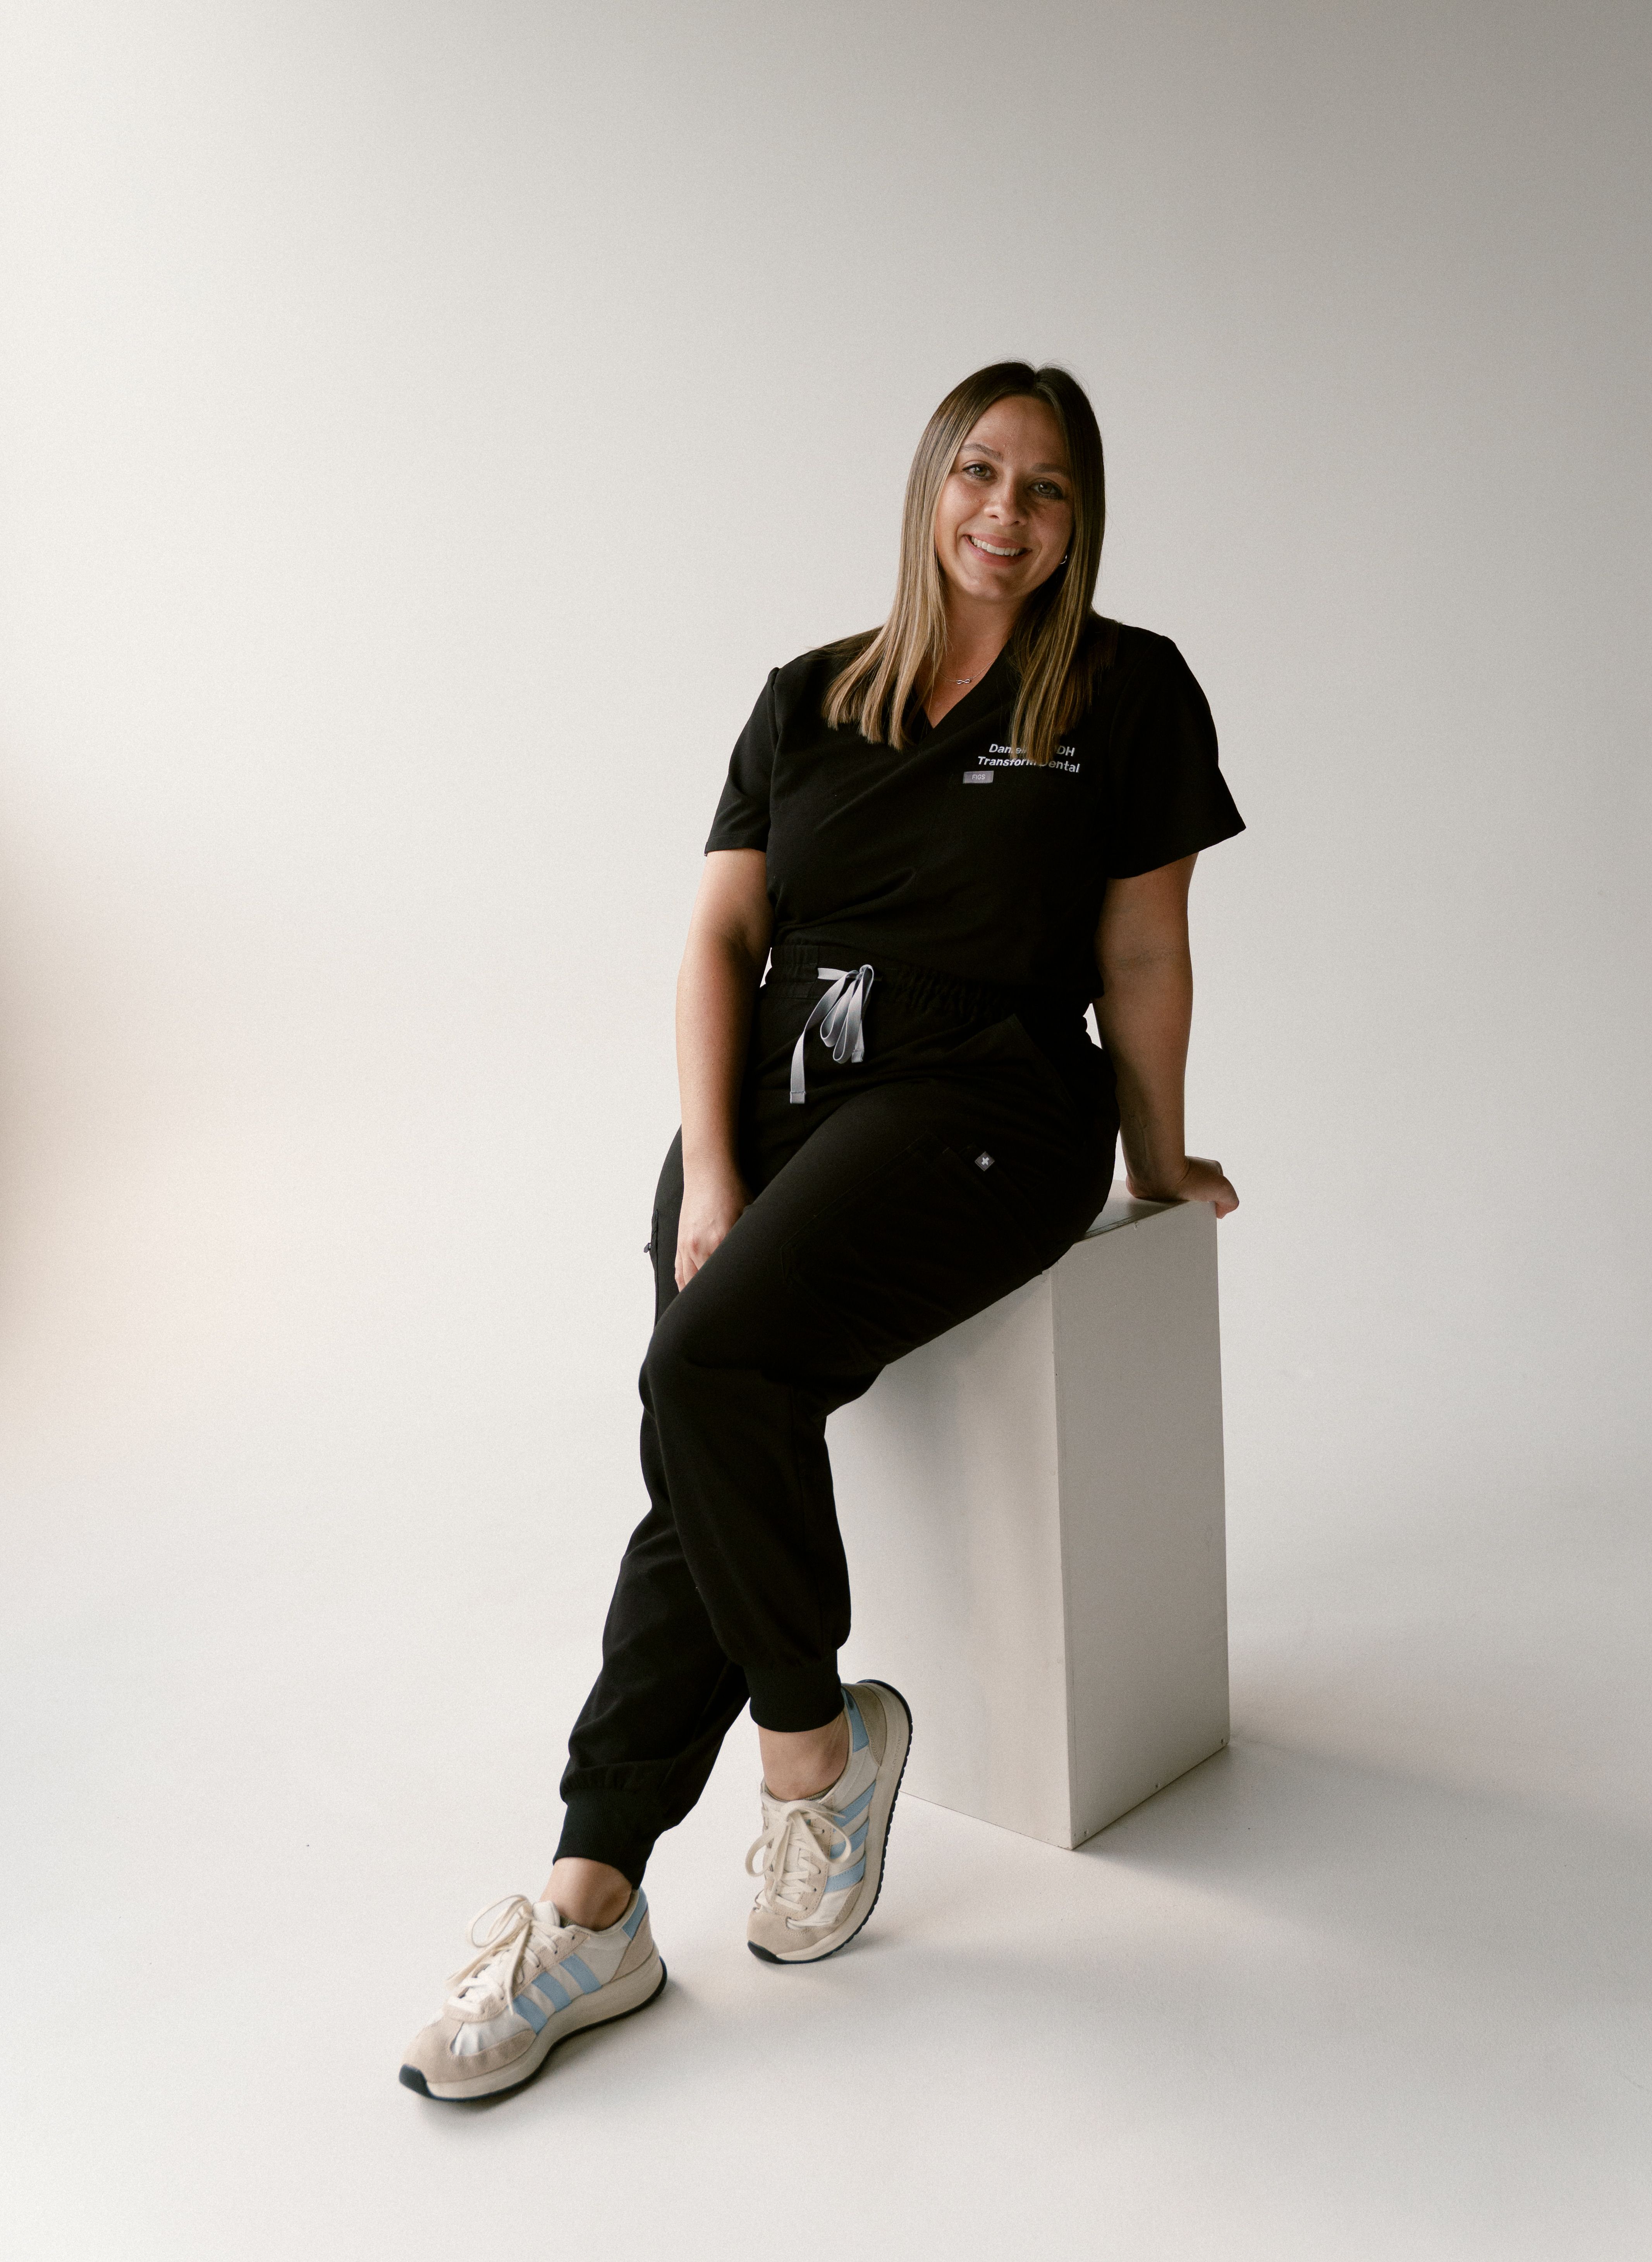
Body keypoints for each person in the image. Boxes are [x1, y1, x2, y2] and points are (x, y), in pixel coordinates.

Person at [399, 361, 1244, 2101]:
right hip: (778, 1096)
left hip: (989, 1101)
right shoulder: (806, 696)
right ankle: (596, 1893)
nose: (1006, 515)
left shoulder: (1127, 690)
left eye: (1049, 490)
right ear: (928, 485)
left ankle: (813, 1755)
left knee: (708, 1371)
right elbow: (720, 937)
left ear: (1083, 519)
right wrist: (713, 1169)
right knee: (704, 1427)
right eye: (979, 474)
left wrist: (1157, 1159)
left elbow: (1141, 952)